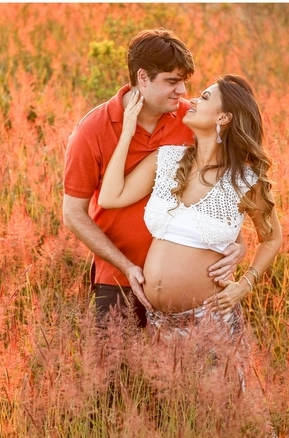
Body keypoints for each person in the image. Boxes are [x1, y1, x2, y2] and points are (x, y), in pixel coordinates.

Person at [62, 29, 247, 328]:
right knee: (115, 360)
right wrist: (125, 266)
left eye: (184, 82)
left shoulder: (193, 120)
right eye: (171, 82)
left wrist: (238, 243)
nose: (182, 91)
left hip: (192, 288)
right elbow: (73, 214)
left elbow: (221, 187)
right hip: (119, 281)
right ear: (143, 78)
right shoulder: (92, 130)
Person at [97, 74, 282, 337]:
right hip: (158, 323)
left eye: (204, 97)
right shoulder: (166, 159)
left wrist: (245, 284)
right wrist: (127, 133)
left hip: (210, 322)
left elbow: (272, 238)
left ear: (223, 118)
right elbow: (110, 197)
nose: (192, 99)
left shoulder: (244, 181)